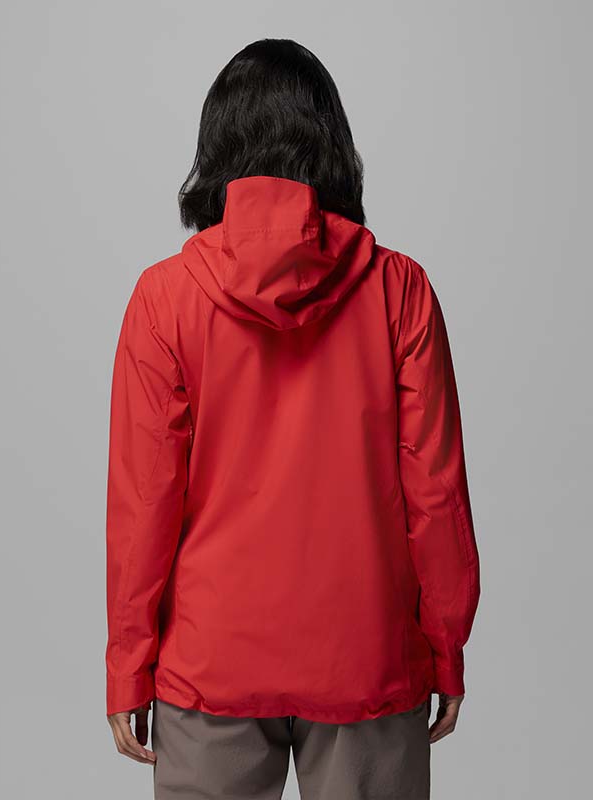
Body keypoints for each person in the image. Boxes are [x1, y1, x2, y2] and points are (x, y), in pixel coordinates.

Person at [105, 38, 480, 800]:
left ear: (215, 152)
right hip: (368, 661)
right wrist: (445, 649)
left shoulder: (164, 300)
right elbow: (435, 495)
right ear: (332, 147)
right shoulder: (399, 291)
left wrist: (128, 666)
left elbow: (144, 506)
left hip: (209, 665)